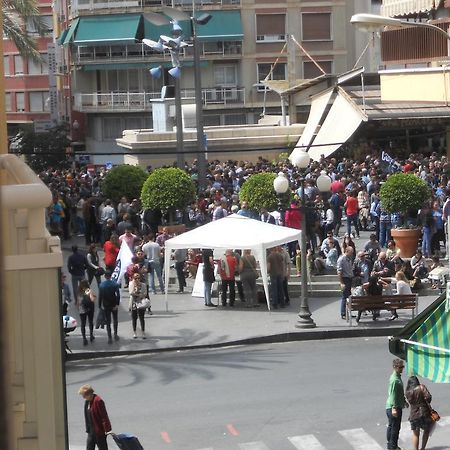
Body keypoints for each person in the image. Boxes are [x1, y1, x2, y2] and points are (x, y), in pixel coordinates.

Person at [78, 384, 112, 450]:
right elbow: (87, 416)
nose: (83, 397)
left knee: (103, 448)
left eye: (84, 395)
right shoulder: (87, 402)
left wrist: (107, 429)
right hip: (91, 431)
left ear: (89, 394)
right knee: (89, 447)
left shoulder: (98, 401)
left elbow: (104, 416)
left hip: (99, 432)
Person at [405, 376, 434, 450]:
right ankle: (423, 448)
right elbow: (428, 398)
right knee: (426, 430)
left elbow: (410, 402)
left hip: (413, 414)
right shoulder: (421, 387)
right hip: (424, 413)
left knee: (415, 434)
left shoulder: (407, 392)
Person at [386, 358, 408, 450]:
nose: (402, 368)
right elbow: (393, 394)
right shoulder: (395, 380)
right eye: (400, 367)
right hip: (394, 407)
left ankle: (391, 446)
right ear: (395, 367)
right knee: (395, 428)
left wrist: (404, 401)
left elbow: (399, 392)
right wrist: (394, 408)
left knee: (392, 426)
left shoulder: (397, 376)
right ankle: (393, 447)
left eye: (403, 366)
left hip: (394, 406)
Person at [98, 270, 120, 344]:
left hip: (106, 305)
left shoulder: (101, 285)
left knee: (108, 321)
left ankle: (109, 337)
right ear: (111, 276)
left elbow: (100, 296)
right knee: (115, 320)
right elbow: (118, 295)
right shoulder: (115, 284)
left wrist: (99, 305)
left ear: (105, 276)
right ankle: (115, 334)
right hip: (113, 304)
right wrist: (117, 304)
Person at [128, 272, 148, 339]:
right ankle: (135, 332)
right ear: (133, 278)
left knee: (142, 318)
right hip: (133, 303)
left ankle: (143, 332)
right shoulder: (131, 284)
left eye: (138, 278)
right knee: (134, 318)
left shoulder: (143, 285)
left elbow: (145, 293)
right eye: (135, 278)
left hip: (141, 303)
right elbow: (131, 292)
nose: (137, 279)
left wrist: (141, 295)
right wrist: (138, 293)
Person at [337, 246, 354, 319]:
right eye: (351, 252)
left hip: (349, 278)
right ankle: (343, 313)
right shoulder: (341, 259)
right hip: (345, 279)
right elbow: (339, 272)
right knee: (345, 296)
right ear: (347, 251)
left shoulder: (349, 259)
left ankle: (348, 312)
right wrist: (341, 283)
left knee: (349, 296)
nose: (352, 254)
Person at [78, 280, 96, 346]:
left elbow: (77, 302)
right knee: (90, 321)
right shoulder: (88, 290)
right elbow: (92, 299)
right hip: (90, 308)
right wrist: (93, 297)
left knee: (83, 324)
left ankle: (84, 338)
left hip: (82, 309)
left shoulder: (79, 291)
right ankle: (91, 335)